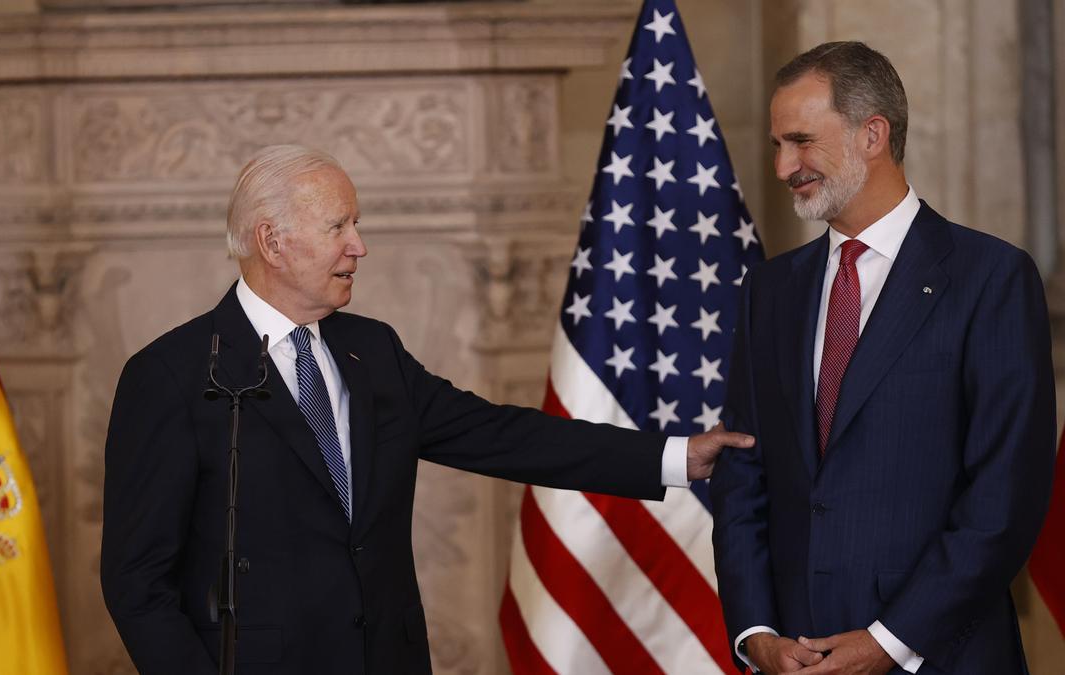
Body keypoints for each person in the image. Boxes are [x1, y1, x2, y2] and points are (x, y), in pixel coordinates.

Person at [100, 144, 753, 675]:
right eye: (339, 227)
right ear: (273, 241)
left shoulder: (371, 350)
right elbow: (137, 582)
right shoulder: (174, 376)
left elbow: (498, 434)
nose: (360, 246)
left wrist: (673, 454)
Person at [710, 41, 1056, 675]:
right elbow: (742, 476)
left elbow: (1004, 497)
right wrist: (756, 632)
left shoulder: (991, 278)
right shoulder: (770, 289)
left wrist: (889, 641)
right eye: (777, 146)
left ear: (873, 134)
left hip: (943, 656)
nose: (785, 165)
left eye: (801, 141)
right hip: (794, 656)